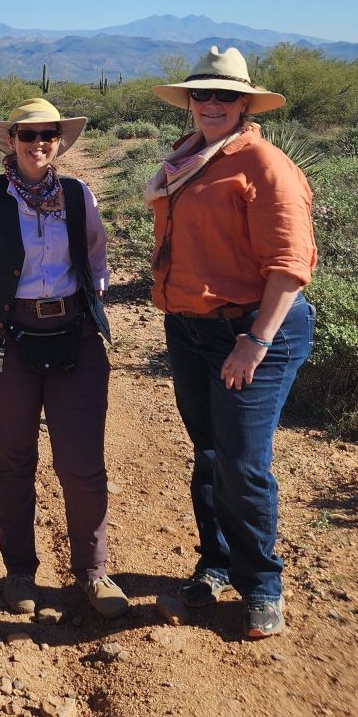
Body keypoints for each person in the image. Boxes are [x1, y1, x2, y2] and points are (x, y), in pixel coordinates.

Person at [147, 46, 316, 639]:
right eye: (202, 94)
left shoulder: (265, 165)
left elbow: (290, 265)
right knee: (210, 452)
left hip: (252, 331)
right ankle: (216, 562)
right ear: (190, 102)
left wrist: (255, 341)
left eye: (224, 95)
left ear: (245, 103)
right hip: (192, 329)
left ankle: (262, 582)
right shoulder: (188, 159)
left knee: (242, 462)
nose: (212, 104)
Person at [0, 98, 127, 620]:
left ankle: (93, 572)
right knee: (13, 459)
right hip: (8, 340)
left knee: (82, 463)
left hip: (74, 334)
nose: (39, 143)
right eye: (28, 135)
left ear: (58, 141)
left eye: (48, 134)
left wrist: (90, 300)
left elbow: (96, 254)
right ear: (12, 140)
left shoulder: (76, 194)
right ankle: (20, 571)